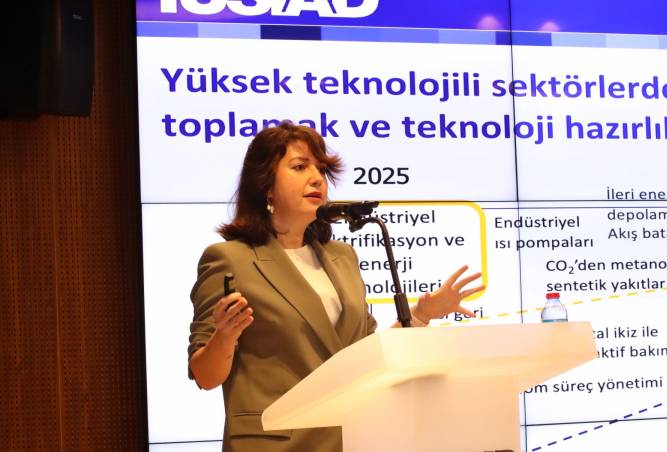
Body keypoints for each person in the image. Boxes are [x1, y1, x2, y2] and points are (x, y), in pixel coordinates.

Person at [188, 122, 484, 451]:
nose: (317, 178)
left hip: (352, 439)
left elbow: (365, 354)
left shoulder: (342, 257)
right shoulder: (230, 259)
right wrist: (224, 335)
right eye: (300, 167)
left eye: (321, 170)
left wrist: (422, 314)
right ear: (266, 187)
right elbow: (205, 375)